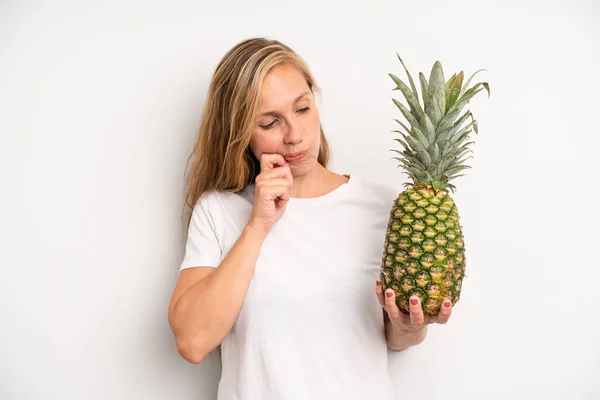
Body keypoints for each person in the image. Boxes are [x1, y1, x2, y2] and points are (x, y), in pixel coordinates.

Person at [167, 37, 453, 400]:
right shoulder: (220, 210)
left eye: (302, 109)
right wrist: (258, 226)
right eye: (270, 123)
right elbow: (192, 341)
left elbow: (394, 338)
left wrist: (408, 326)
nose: (295, 136)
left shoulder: (383, 206)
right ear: (240, 133)